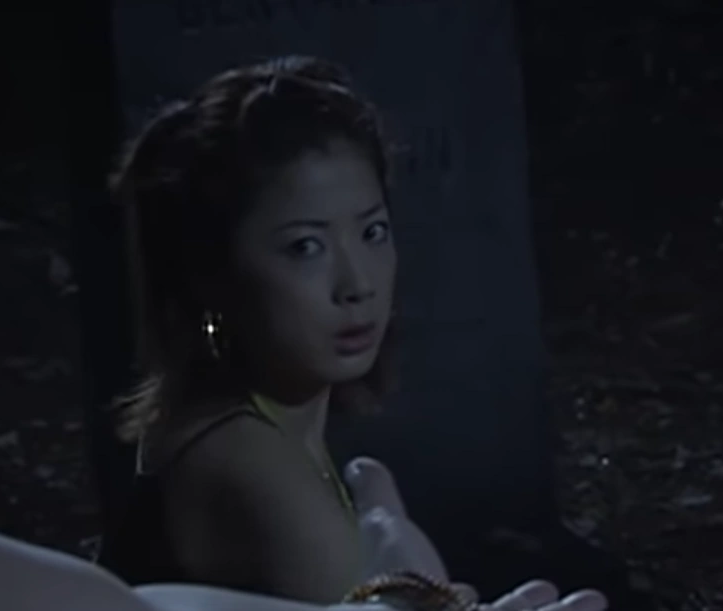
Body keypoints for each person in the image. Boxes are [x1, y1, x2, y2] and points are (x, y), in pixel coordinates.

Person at [97, 55, 607, 611]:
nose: (357, 283)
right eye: (305, 247)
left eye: (372, 232)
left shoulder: (251, 425)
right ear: (211, 273)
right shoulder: (247, 462)